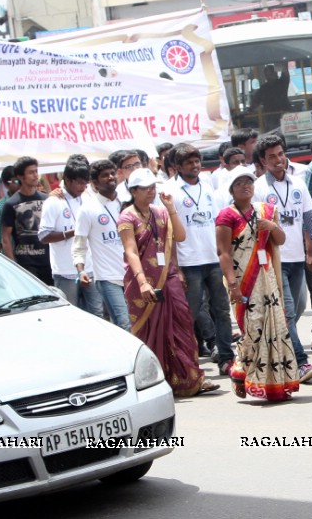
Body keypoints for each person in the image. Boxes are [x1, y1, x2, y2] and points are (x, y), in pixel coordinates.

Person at [119, 169, 219, 397]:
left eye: (152, 187)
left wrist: (171, 208)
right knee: (151, 330)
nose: (151, 191)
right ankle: (154, 382)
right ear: (133, 191)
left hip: (169, 276)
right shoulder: (127, 217)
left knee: (181, 324)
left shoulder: (161, 212)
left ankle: (190, 378)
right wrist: (143, 282)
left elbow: (179, 238)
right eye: (145, 188)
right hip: (142, 282)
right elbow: (131, 251)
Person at [217, 165, 300, 401]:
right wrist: (232, 285)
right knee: (252, 327)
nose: (246, 186)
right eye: (240, 183)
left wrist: (273, 226)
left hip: (266, 276)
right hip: (242, 278)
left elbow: (280, 240)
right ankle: (240, 370)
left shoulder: (265, 210)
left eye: (249, 182)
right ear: (232, 189)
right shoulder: (227, 215)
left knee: (275, 327)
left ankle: (271, 382)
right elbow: (223, 252)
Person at [254, 134, 312, 384]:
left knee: (298, 306)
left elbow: (308, 218)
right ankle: (300, 362)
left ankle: (282, 355)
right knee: (288, 309)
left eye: (280, 154)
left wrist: (311, 251)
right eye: (272, 156)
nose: (278, 160)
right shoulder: (259, 187)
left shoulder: (298, 183)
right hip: (274, 258)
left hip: (297, 256)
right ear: (263, 161)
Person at [163, 142, 235, 375]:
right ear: (177, 166)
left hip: (213, 259)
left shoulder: (207, 186)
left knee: (222, 310)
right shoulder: (168, 191)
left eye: (197, 161)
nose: (195, 166)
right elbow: (168, 234)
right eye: (189, 163)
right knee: (189, 315)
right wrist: (176, 268)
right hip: (188, 262)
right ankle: (188, 362)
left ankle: (226, 357)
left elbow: (219, 223)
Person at [73, 159, 132, 330]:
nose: (111, 177)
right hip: (108, 277)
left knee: (137, 322)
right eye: (105, 175)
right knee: (124, 323)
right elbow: (79, 244)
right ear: (95, 183)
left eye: (112, 173)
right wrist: (81, 269)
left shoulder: (126, 205)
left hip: (131, 274)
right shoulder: (88, 209)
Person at [38, 157, 90, 308]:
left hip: (90, 268)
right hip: (65, 270)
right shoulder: (54, 201)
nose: (83, 187)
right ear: (67, 179)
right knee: (70, 312)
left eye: (85, 183)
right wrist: (71, 233)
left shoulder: (88, 198)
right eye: (80, 182)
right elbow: (43, 236)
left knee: (97, 314)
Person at [1, 156, 52, 285]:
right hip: (26, 263)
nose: (35, 175)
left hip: (50, 261)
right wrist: (13, 265)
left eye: (36, 171)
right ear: (20, 177)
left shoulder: (48, 200)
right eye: (31, 172)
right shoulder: (11, 204)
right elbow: (5, 237)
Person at [0, 166, 18, 252]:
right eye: (14, 181)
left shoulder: (30, 201)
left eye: (20, 179)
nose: (19, 183)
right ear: (6, 184)